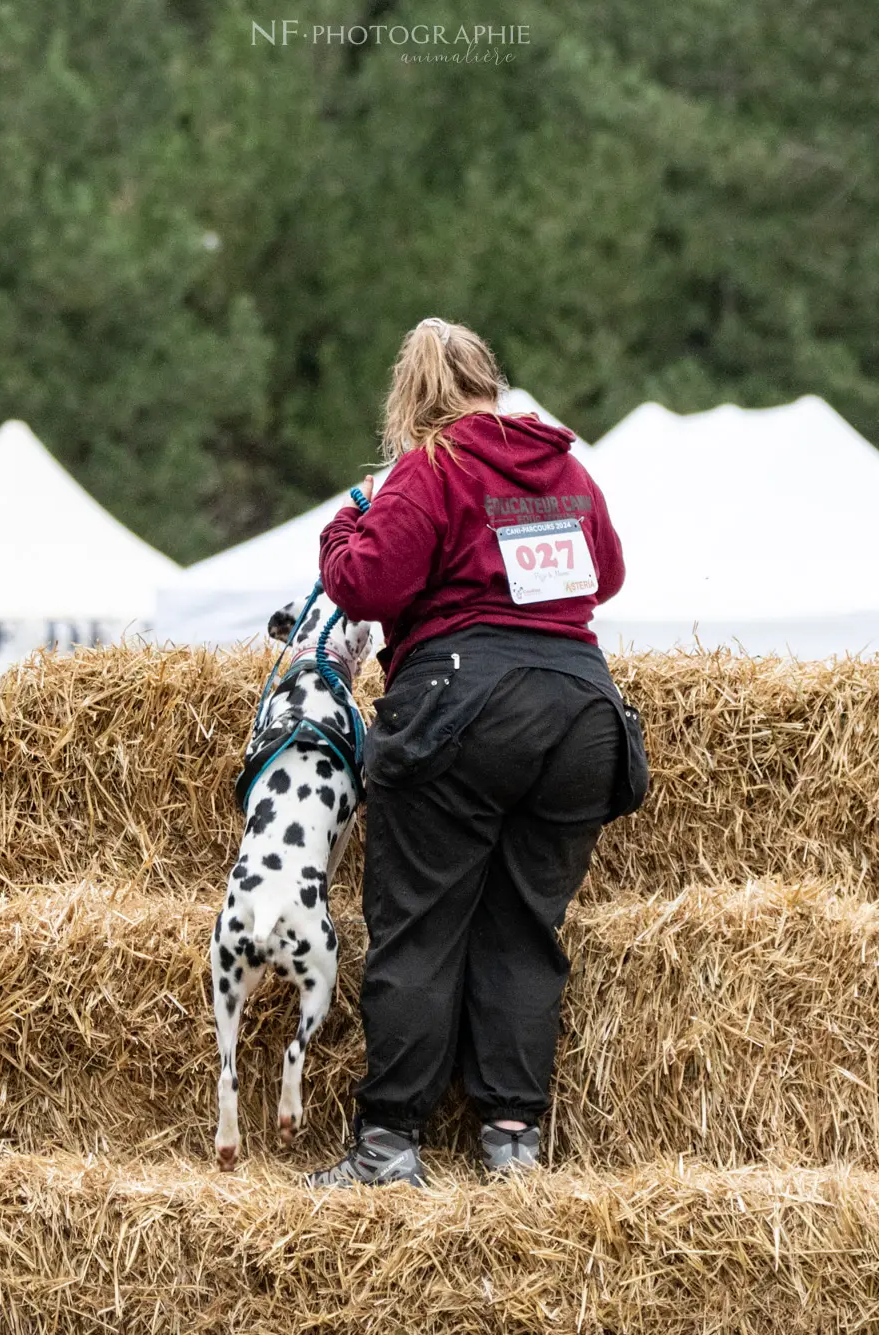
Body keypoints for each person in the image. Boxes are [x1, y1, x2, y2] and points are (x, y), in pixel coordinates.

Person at [306, 317, 647, 1187]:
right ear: (493, 383)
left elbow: (367, 582)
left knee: (420, 929)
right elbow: (604, 576)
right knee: (525, 930)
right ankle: (511, 1140)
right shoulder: (565, 465)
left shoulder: (432, 467)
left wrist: (342, 531)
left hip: (464, 706)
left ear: (413, 402)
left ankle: (388, 1146)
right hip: (580, 711)